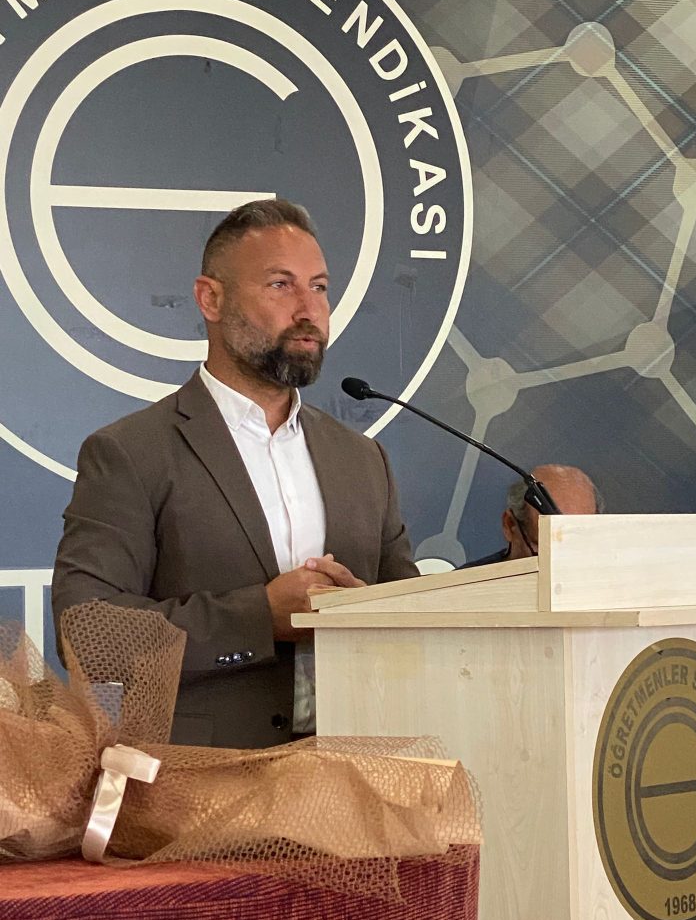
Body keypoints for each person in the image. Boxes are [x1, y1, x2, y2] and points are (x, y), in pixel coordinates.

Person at [52, 199, 418, 748]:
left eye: (319, 287)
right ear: (211, 299)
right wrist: (259, 618)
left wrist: (364, 610)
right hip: (199, 782)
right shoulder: (131, 452)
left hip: (353, 767)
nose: (309, 309)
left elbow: (409, 615)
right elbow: (86, 633)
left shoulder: (364, 460)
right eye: (280, 285)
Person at [463, 464, 602, 565]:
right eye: (547, 547)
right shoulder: (460, 589)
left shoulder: (610, 583)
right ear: (510, 525)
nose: (565, 561)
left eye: (578, 544)